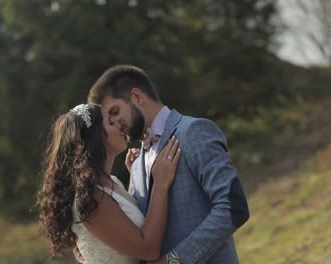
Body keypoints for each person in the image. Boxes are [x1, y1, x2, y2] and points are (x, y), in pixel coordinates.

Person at [87, 65, 250, 264]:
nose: (116, 124)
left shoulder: (193, 131)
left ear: (137, 97)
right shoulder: (136, 163)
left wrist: (174, 261)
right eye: (109, 119)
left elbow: (233, 207)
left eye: (115, 111)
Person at [37, 103, 181, 263]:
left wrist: (135, 179)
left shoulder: (112, 181)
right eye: (111, 122)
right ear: (96, 136)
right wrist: (160, 184)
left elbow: (125, 220)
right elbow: (149, 250)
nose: (121, 124)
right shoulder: (91, 198)